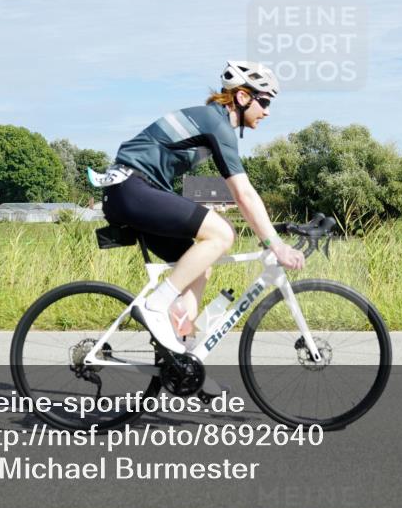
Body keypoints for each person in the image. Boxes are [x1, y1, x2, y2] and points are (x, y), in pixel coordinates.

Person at [95, 60, 306, 354]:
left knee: (198, 269)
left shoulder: (213, 123)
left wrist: (270, 233)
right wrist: (275, 243)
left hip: (133, 191)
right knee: (222, 234)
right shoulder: (216, 124)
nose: (267, 111)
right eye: (265, 101)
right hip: (131, 187)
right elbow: (243, 193)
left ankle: (182, 352)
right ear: (243, 97)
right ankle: (155, 305)